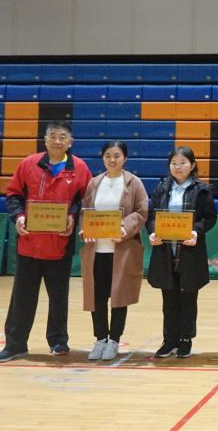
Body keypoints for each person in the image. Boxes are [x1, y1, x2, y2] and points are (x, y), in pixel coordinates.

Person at [0, 121, 93, 363]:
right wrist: (18, 217)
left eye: (63, 137)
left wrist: (73, 217)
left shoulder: (80, 168)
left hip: (60, 244)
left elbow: (86, 200)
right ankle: (15, 345)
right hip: (29, 243)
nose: (57, 141)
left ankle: (58, 341)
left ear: (70, 141)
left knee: (58, 297)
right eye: (53, 136)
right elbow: (13, 194)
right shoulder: (28, 164)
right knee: (22, 297)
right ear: (45, 140)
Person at [79, 141, 149, 361]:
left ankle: (114, 340)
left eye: (117, 155)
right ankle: (100, 339)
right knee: (96, 297)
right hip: (96, 251)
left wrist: (124, 227)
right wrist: (85, 229)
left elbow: (142, 211)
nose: (112, 160)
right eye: (108, 155)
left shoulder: (134, 182)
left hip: (122, 250)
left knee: (119, 297)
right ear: (102, 158)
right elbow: (85, 211)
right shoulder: (94, 183)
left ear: (125, 158)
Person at [146, 147, 217, 358]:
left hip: (189, 252)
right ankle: (169, 340)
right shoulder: (161, 189)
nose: (178, 167)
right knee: (168, 300)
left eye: (183, 162)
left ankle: (185, 340)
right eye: (174, 163)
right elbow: (151, 217)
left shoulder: (202, 190)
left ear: (192, 165)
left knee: (188, 299)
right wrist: (152, 232)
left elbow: (210, 218)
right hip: (166, 252)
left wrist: (196, 231)